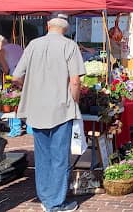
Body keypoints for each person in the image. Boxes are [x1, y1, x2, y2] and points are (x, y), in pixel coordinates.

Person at [13, 15, 84, 212]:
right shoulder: (69, 46)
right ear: (66, 28)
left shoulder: (33, 45)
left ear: (47, 26)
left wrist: (32, 86)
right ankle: (55, 202)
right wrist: (75, 100)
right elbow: (75, 81)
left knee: (42, 156)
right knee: (59, 156)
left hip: (36, 108)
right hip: (61, 107)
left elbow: (17, 76)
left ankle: (45, 196)